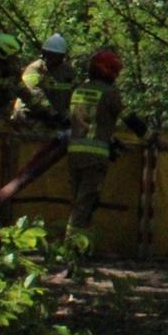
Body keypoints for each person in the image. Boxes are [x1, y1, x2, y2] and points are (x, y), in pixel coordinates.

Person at [65, 49, 148, 234]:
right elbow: (128, 118)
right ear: (109, 71)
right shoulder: (109, 93)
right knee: (85, 204)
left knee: (78, 202)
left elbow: (91, 121)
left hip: (74, 153)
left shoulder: (79, 90)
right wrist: (150, 137)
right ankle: (72, 249)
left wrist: (111, 139)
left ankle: (81, 246)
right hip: (95, 157)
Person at [14, 33, 74, 128]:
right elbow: (33, 94)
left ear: (61, 57)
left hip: (55, 119)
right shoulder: (35, 69)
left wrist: (67, 116)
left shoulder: (67, 71)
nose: (49, 59)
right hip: (30, 115)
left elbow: (73, 94)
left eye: (54, 56)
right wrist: (52, 113)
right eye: (48, 54)